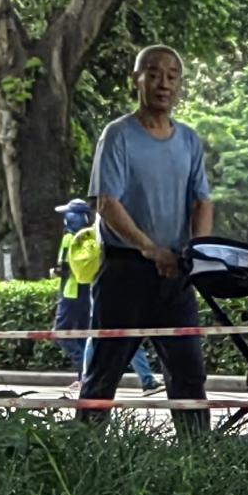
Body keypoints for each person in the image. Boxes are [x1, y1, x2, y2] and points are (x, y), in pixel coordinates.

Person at [79, 44, 213, 431]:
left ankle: (198, 458)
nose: (163, 83)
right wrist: (149, 248)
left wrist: (196, 253)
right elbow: (107, 202)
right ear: (135, 80)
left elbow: (202, 200)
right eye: (153, 73)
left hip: (176, 274)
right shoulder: (117, 135)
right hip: (125, 271)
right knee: (105, 369)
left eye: (172, 76)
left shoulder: (189, 140)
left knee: (189, 372)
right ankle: (81, 450)